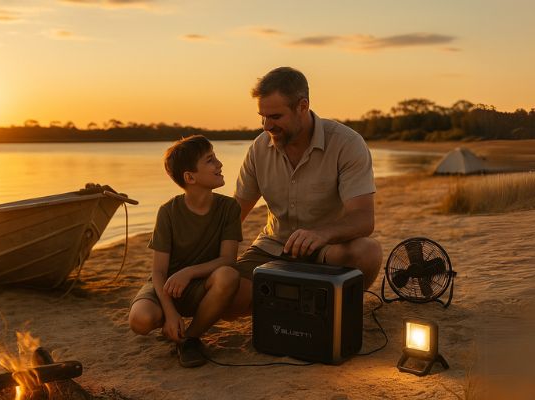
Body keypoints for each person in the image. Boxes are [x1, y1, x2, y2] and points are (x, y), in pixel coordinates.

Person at [223, 67, 383, 318]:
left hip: (326, 251)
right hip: (272, 247)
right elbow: (234, 214)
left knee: (368, 253)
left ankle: (315, 302)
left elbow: (364, 218)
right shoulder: (259, 149)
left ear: (302, 106)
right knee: (226, 301)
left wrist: (322, 234)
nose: (267, 126)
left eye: (275, 116)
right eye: (262, 117)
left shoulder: (346, 143)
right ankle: (298, 299)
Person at [128, 135, 242, 368]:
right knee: (140, 320)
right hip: (166, 286)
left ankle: (189, 338)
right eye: (210, 160)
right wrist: (170, 313)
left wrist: (189, 272)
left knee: (228, 275)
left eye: (216, 157)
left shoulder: (229, 208)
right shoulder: (168, 212)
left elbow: (228, 259)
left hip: (202, 286)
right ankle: (172, 324)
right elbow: (158, 272)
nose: (219, 164)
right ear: (190, 177)